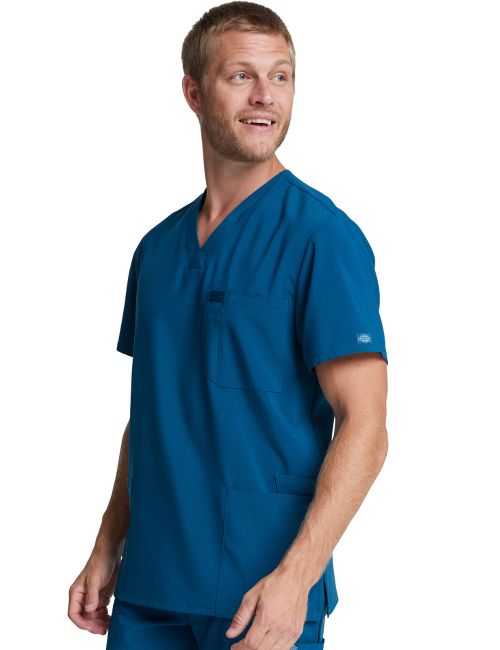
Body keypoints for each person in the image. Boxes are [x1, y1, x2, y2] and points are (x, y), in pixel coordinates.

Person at [67, 2, 389, 648]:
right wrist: (107, 543)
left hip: (261, 596)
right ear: (193, 92)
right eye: (241, 76)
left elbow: (367, 426)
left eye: (281, 76)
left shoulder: (323, 238)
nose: (265, 96)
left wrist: (296, 578)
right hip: (149, 591)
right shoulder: (157, 251)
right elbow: (153, 414)